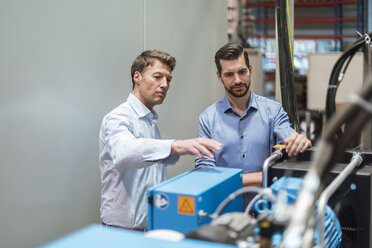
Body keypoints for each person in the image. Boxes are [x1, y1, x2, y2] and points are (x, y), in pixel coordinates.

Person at [99, 50, 222, 231]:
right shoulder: (118, 118)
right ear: (137, 77)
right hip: (122, 232)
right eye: (157, 76)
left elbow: (151, 167)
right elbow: (124, 153)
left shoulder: (150, 123)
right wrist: (175, 145)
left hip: (150, 229)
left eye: (168, 79)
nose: (164, 84)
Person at [195, 43, 311, 187]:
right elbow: (204, 173)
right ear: (220, 77)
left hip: (264, 205)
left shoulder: (273, 111)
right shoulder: (208, 119)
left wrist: (298, 141)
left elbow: (288, 138)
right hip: (225, 207)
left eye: (242, 72)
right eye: (229, 74)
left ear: (250, 69)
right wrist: (266, 177)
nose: (237, 80)